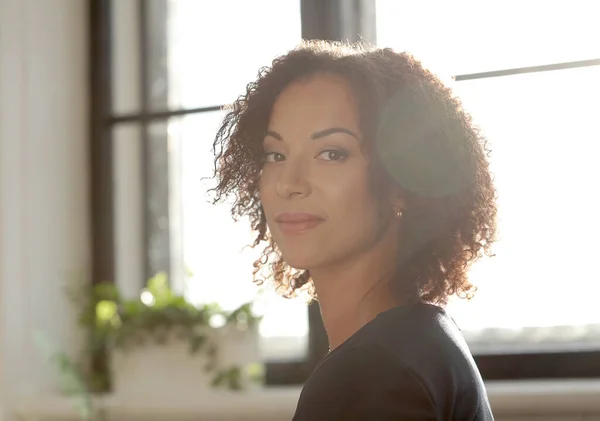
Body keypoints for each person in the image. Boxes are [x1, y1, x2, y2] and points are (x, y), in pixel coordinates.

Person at [212, 40, 497, 420]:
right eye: (275, 155)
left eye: (332, 153)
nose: (289, 183)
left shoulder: (373, 372)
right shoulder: (423, 339)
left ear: (402, 182)